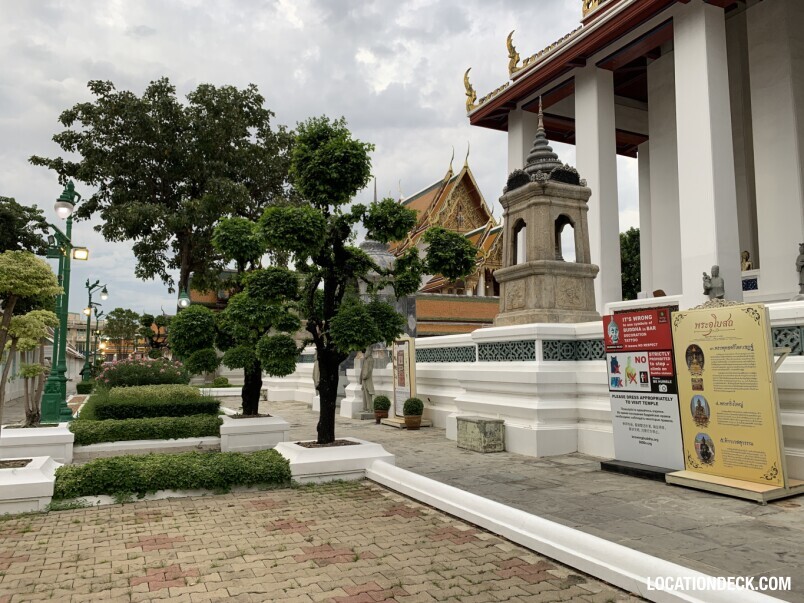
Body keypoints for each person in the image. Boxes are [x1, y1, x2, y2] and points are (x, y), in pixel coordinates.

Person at [359, 348, 375, 412]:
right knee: (364, 394)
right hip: (363, 379)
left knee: (368, 394)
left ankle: (370, 408)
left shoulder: (370, 359)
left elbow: (369, 370)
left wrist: (365, 376)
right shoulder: (365, 359)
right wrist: (361, 378)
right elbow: (363, 369)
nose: (365, 353)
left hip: (367, 379)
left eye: (366, 351)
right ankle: (365, 408)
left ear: (369, 352)